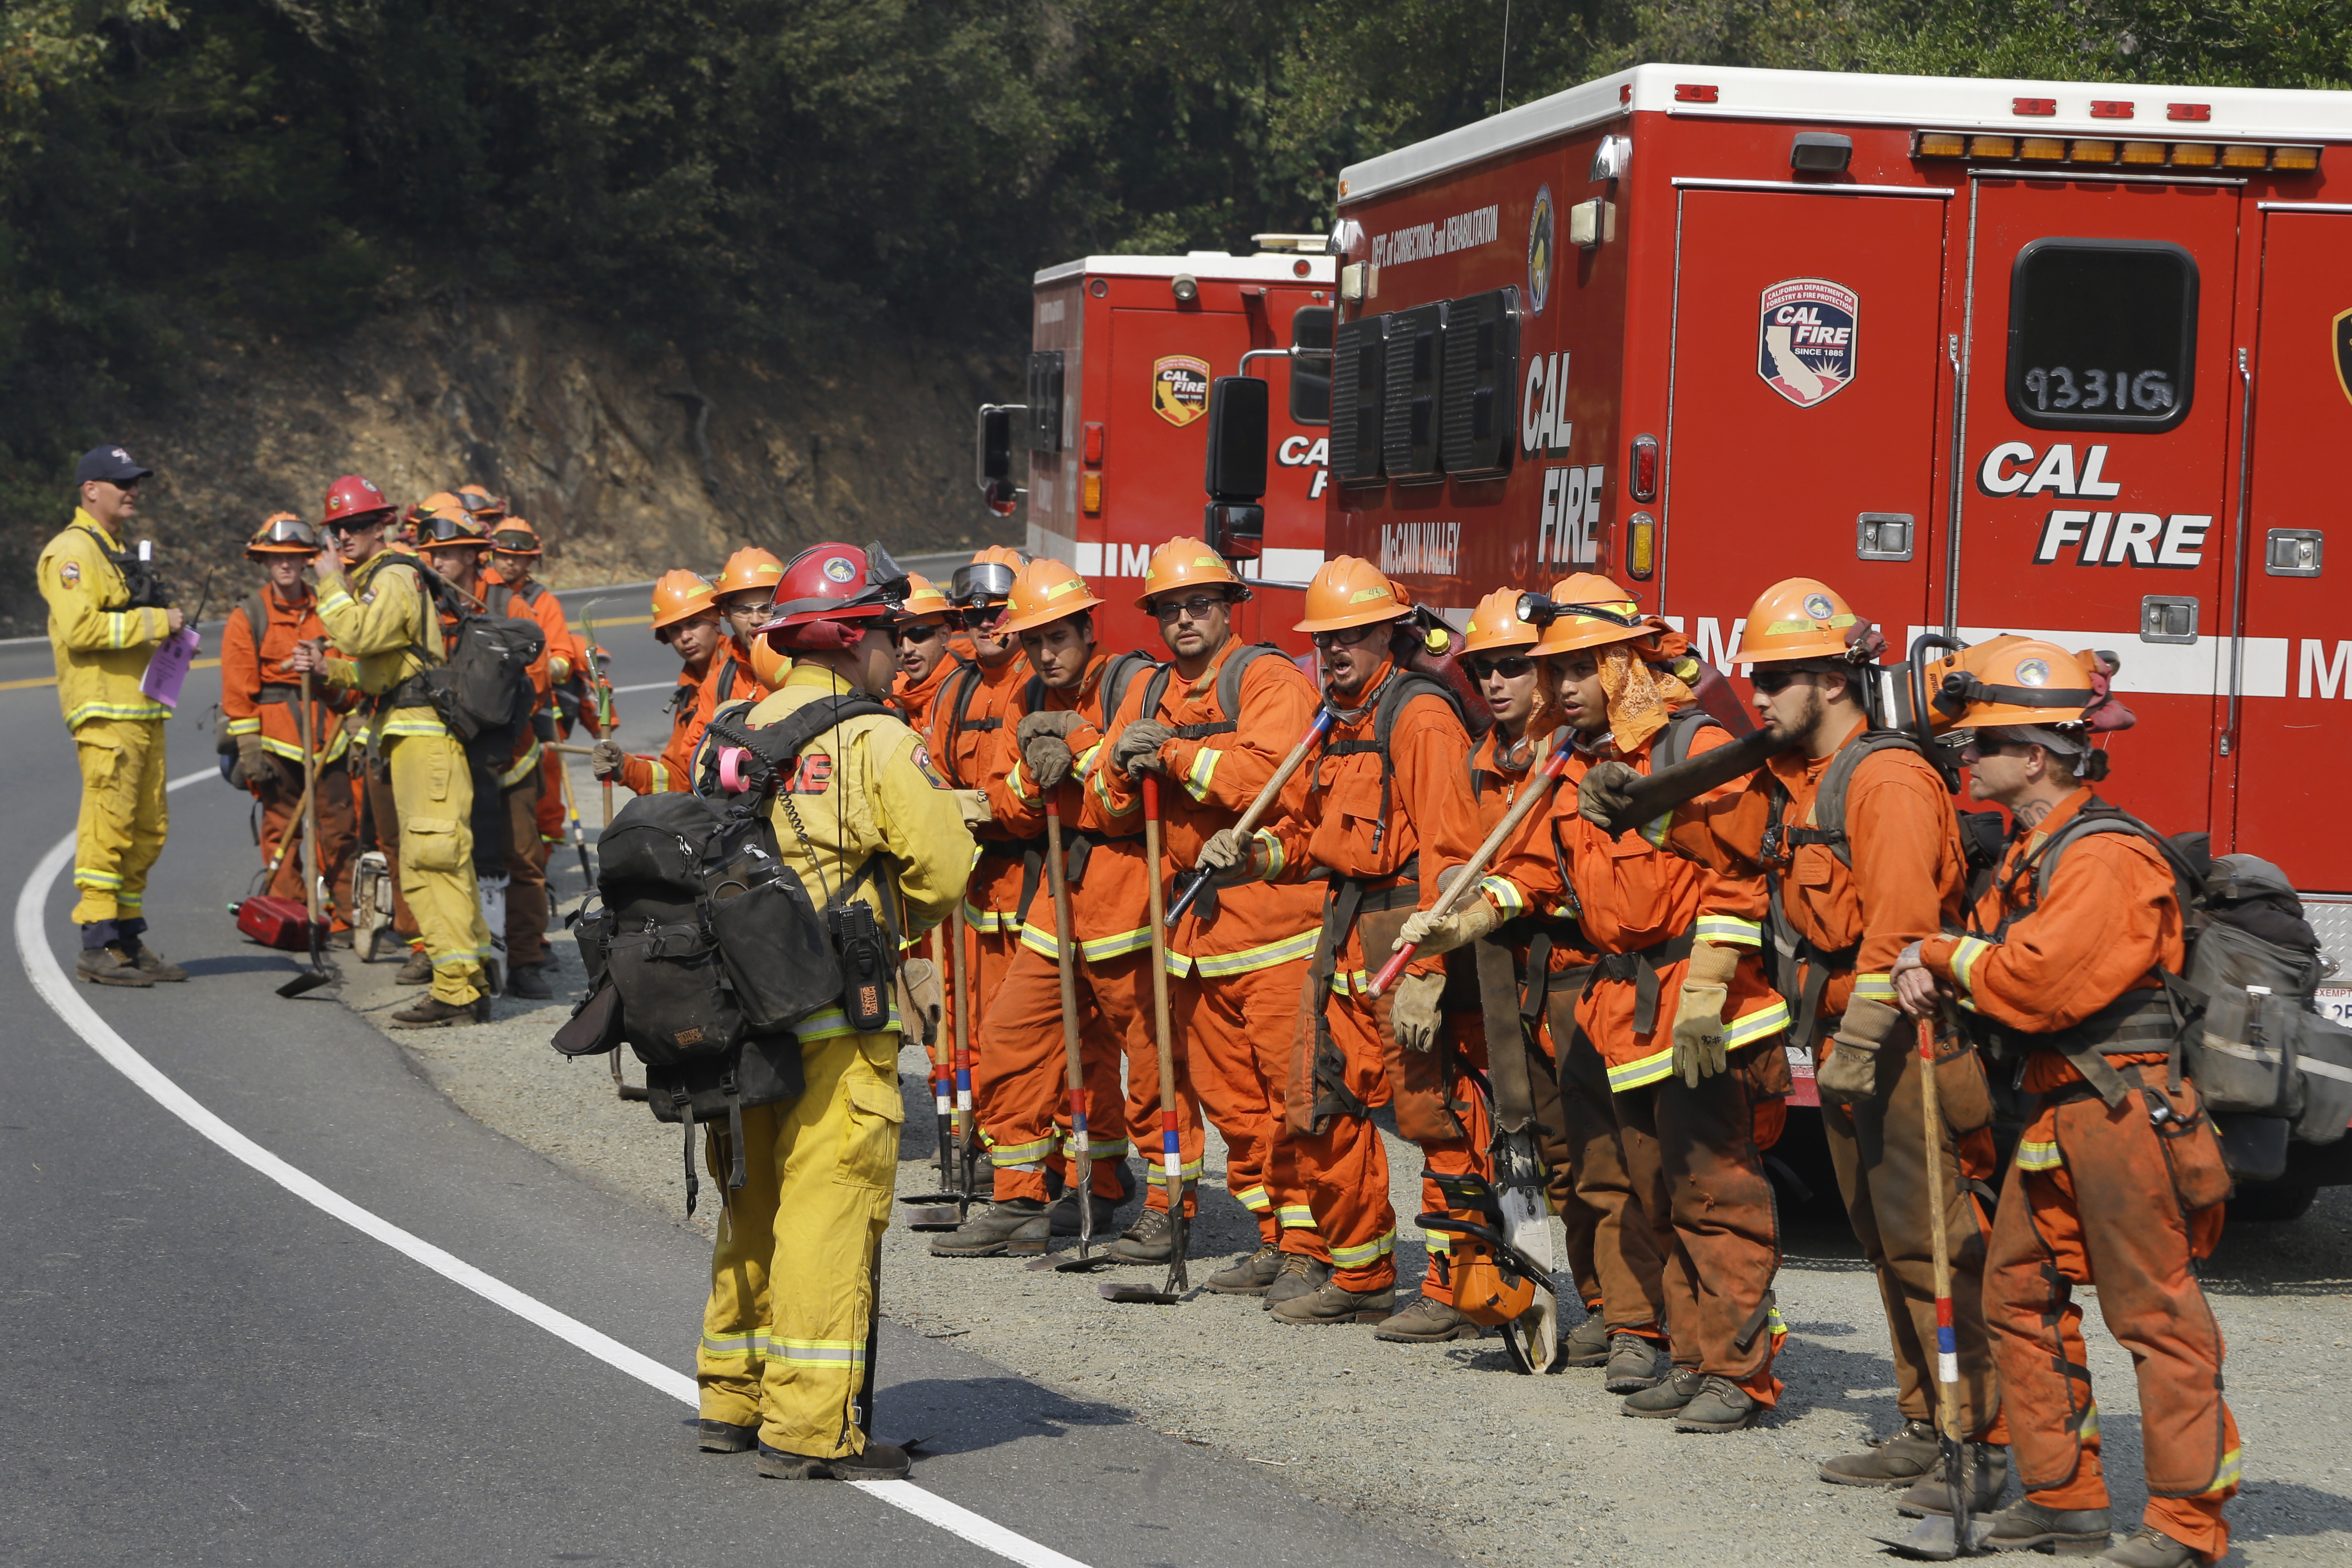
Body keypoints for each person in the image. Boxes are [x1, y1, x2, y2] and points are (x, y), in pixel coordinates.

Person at [1616, 578, 2000, 1495]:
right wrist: (1639, 803)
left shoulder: (1887, 780)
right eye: (1758, 679)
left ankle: (1973, 1442)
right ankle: (1923, 1420)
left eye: (1780, 679)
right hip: (1847, 1044)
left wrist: (1862, 1044)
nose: (1760, 698)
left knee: (1934, 1244)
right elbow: (1732, 853)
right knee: (1884, 1238)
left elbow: (1900, 934)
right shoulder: (1802, 782)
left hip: (1903, 1042)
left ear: (1834, 680)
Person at [1890, 639, 2236, 1567]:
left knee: (2155, 1319)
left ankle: (2187, 1527)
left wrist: (1934, 958)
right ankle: (2065, 1500)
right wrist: (1948, 970)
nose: (1965, 760)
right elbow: (2003, 965)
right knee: (2016, 1297)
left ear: (2035, 755)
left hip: (2122, 1110)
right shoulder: (2035, 852)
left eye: (1980, 744)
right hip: (2060, 1107)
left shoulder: (2106, 857)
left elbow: (2041, 982)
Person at [1419, 574, 1791, 1430]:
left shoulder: (1691, 750)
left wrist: (1706, 990)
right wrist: (1469, 919)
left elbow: (1741, 881)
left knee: (1714, 1202)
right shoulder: (1575, 761)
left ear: (1625, 665)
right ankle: (1692, 1358)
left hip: (1704, 1010)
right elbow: (1541, 872)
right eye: (1561, 672)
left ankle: (1739, 1375)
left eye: (1582, 668)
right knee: (1656, 1197)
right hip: (1626, 1012)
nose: (1564, 687)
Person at [695, 542, 972, 1482]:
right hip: (835, 1019)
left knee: (751, 1202)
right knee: (829, 1209)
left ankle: (732, 1397)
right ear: (853, 637)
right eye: (892, 631)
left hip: (736, 1019)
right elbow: (945, 868)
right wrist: (893, 921)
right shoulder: (878, 738)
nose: (901, 648)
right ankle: (810, 1426)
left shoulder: (730, 730)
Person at [1199, 557, 1485, 1325]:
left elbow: (1450, 853)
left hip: (1402, 931)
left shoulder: (1417, 716)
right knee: (1319, 1101)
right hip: (1344, 930)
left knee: (1431, 1115)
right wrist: (1252, 854)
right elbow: (1314, 840)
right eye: (1324, 640)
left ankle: (1454, 1290)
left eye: (1351, 637)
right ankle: (1358, 1275)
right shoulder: (1337, 720)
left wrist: (1427, 969)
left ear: (1388, 635)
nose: (1333, 653)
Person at [1419, 588, 1669, 1378]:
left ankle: (1637, 1320)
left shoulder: (1607, 750)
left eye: (1513, 667)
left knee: (1626, 1159)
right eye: (1482, 670)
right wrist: (1452, 920)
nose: (1497, 683)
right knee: (1561, 1155)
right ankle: (1604, 1307)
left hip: (1602, 969)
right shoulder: (1504, 759)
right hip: (1520, 974)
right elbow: (1483, 862)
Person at [1093, 539, 1327, 1282]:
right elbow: (1106, 807)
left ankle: (1311, 1247)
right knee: (1233, 1104)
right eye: (1169, 608)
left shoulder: (1266, 679)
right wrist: (1117, 766)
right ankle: (1275, 1235)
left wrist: (1170, 757)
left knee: (1292, 1097)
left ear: (1229, 607)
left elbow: (1272, 781)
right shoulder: (1150, 689)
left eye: (1199, 604)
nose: (1184, 619)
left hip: (1272, 929)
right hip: (1191, 933)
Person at [932, 558, 1159, 1257]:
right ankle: (1017, 1198)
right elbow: (1006, 805)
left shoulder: (1133, 683)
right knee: (1009, 1041)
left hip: (1127, 898)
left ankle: (1158, 1203)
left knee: (1145, 1063)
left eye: (1057, 637)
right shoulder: (1024, 693)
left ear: (1087, 629)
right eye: (1033, 641)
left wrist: (1079, 746)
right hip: (1057, 898)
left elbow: (1123, 801)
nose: (1044, 653)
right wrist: (1034, 771)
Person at [315, 478, 495, 1027]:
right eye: (338, 528)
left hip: (424, 739)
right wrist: (332, 671)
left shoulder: (392, 575)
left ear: (380, 527)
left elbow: (362, 636)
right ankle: (468, 980)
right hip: (411, 732)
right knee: (434, 861)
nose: (345, 536)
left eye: (356, 525)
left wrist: (327, 587)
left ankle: (456, 991)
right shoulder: (384, 576)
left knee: (431, 863)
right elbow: (382, 669)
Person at [37, 444, 189, 985]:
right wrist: (153, 622)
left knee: (147, 827)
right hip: (105, 711)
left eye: (136, 481)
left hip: (142, 708)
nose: (133, 490)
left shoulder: (116, 549)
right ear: (90, 490)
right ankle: (96, 943)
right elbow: (81, 629)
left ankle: (125, 936)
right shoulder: (72, 551)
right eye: (121, 481)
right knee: (109, 825)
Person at [412, 504, 553, 997]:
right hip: (445, 759)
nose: (440, 562)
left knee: (522, 860)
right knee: (445, 859)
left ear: (474, 554)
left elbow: (535, 673)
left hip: (509, 756)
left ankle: (526, 959)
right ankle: (440, 954)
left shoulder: (509, 604)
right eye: (432, 554)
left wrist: (498, 731)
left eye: (449, 553)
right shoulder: (422, 606)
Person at [221, 513, 361, 936]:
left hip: (328, 738)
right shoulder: (247, 616)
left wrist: (350, 720)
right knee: (282, 830)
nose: (285, 565)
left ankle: (349, 914)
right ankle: (292, 914)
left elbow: (352, 672)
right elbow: (238, 692)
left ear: (306, 561)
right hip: (275, 744)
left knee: (339, 831)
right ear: (264, 561)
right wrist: (248, 750)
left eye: (295, 557)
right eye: (276, 557)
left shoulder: (330, 608)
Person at [590, 571, 759, 796]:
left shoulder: (746, 670)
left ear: (716, 620)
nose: (685, 637)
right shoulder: (688, 696)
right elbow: (679, 777)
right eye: (675, 629)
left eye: (693, 623)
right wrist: (625, 767)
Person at [486, 519, 592, 865]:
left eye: (518, 557)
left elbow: (562, 654)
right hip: (490, 703)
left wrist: (543, 664)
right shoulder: (480, 591)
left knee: (542, 786)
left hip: (538, 706)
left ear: (531, 560)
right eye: (502, 555)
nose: (509, 562)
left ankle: (541, 857)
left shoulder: (543, 601)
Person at [887, 574, 960, 733]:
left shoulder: (969, 695)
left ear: (944, 635)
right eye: (896, 638)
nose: (906, 649)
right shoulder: (890, 696)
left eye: (918, 634)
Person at [712, 546, 787, 680]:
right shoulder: (719, 684)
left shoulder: (811, 670)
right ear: (727, 613)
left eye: (766, 609)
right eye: (744, 610)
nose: (756, 620)